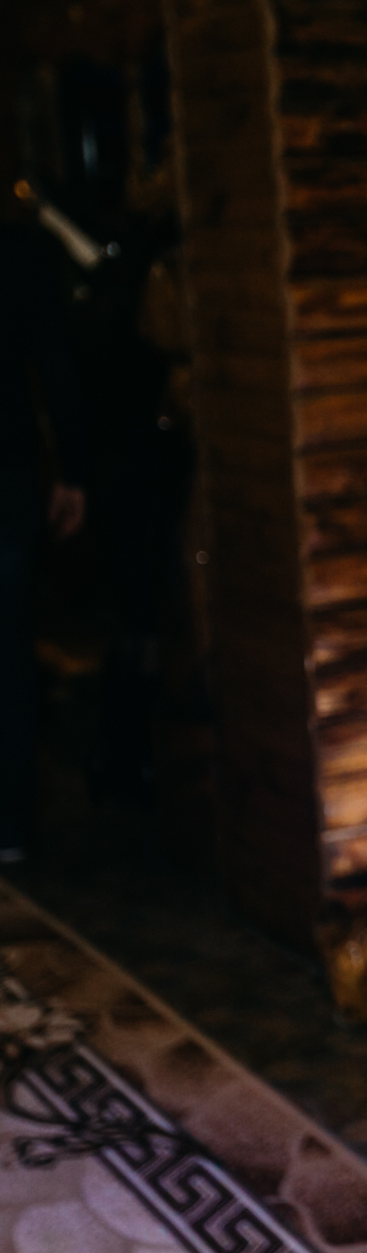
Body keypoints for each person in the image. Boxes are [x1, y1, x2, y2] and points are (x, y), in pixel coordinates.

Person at [0, 215, 87, 864]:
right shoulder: (18, 249)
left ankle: (10, 823)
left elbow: (56, 361)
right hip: (10, 478)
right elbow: (55, 361)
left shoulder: (19, 249)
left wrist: (73, 471)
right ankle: (10, 825)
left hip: (10, 482)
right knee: (9, 655)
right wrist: (72, 471)